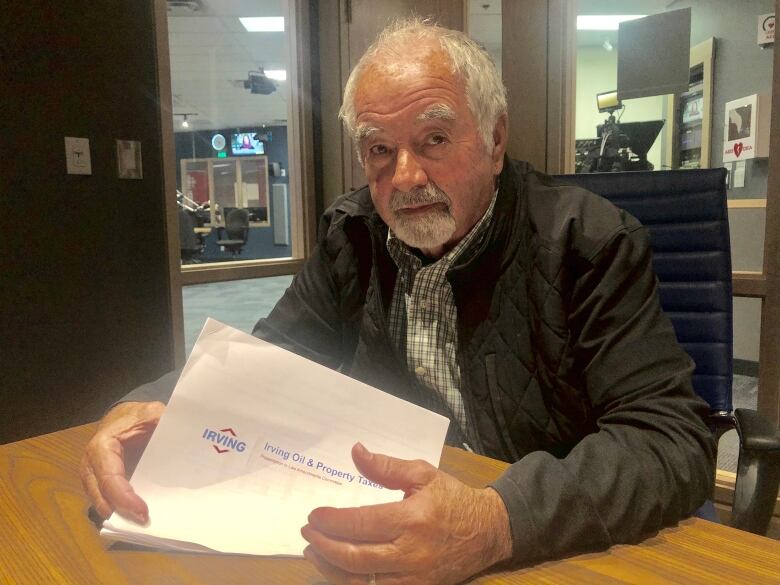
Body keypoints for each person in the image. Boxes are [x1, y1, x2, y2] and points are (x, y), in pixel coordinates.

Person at [81, 19, 716, 585]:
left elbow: (669, 439)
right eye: (380, 149)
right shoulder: (351, 237)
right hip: (393, 538)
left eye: (434, 139)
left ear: (495, 141)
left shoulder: (589, 242)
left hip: (553, 549)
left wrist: (495, 520)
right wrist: (153, 406)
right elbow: (265, 359)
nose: (404, 176)